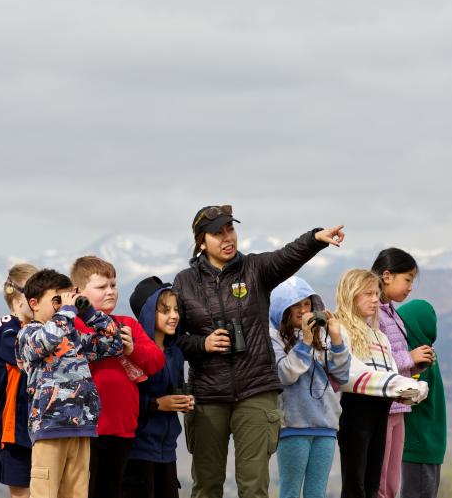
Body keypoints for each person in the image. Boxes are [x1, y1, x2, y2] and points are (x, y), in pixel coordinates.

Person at [172, 204, 345, 498]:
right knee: (207, 484)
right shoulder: (184, 282)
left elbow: (288, 256)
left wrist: (315, 238)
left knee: (254, 486)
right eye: (218, 233)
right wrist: (203, 344)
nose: (228, 238)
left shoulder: (255, 269)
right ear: (202, 240)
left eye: (231, 229)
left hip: (256, 390)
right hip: (207, 393)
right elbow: (174, 339)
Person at [15, 268, 124, 498]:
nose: (62, 305)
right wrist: (65, 313)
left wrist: (88, 313)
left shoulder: (73, 336)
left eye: (67, 299)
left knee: (77, 493)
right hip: (49, 428)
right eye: (56, 299)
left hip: (81, 425)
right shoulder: (27, 334)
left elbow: (113, 343)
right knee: (45, 492)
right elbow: (45, 341)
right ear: (34, 303)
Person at [71, 257, 166, 498]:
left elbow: (156, 361)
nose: (111, 291)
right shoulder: (73, 326)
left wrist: (132, 349)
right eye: (102, 287)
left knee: (112, 490)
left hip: (122, 427)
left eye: (113, 285)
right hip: (86, 429)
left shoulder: (127, 325)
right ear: (78, 291)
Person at [336, 269, 428, 498]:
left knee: (373, 481)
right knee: (354, 481)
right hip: (356, 410)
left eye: (376, 293)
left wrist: (405, 391)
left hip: (382, 409)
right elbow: (349, 373)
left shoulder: (380, 336)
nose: (375, 299)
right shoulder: (341, 330)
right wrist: (395, 385)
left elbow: (389, 371)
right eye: (367, 294)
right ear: (351, 294)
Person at [268, 276, 351, 498]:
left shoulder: (321, 334)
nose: (303, 310)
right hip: (293, 426)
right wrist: (304, 343)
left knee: (317, 493)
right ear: (282, 309)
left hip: (326, 425)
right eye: (295, 305)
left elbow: (342, 375)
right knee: (291, 492)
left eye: (306, 304)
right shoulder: (273, 338)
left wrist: (336, 339)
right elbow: (284, 374)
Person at [371, 249, 435, 498]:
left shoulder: (391, 312)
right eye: (407, 279)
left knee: (391, 482)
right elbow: (374, 361)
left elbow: (395, 358)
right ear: (387, 276)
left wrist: (417, 365)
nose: (410, 287)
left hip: (399, 406)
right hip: (381, 407)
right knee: (380, 479)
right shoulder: (373, 312)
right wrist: (410, 357)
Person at [123, 276, 194, 498]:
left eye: (176, 310)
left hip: (168, 450)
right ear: (147, 313)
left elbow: (175, 389)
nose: (174, 316)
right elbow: (125, 402)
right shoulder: (133, 354)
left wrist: (183, 401)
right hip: (138, 452)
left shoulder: (176, 353)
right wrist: (156, 404)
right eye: (165, 310)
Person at [0, 263, 39, 498]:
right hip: (16, 429)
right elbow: (16, 352)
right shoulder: (7, 326)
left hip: (43, 426)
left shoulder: (45, 329)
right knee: (23, 493)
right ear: (20, 301)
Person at [397, 300, 446, 498]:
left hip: (418, 444)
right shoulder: (425, 354)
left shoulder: (420, 358)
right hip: (427, 444)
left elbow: (411, 394)